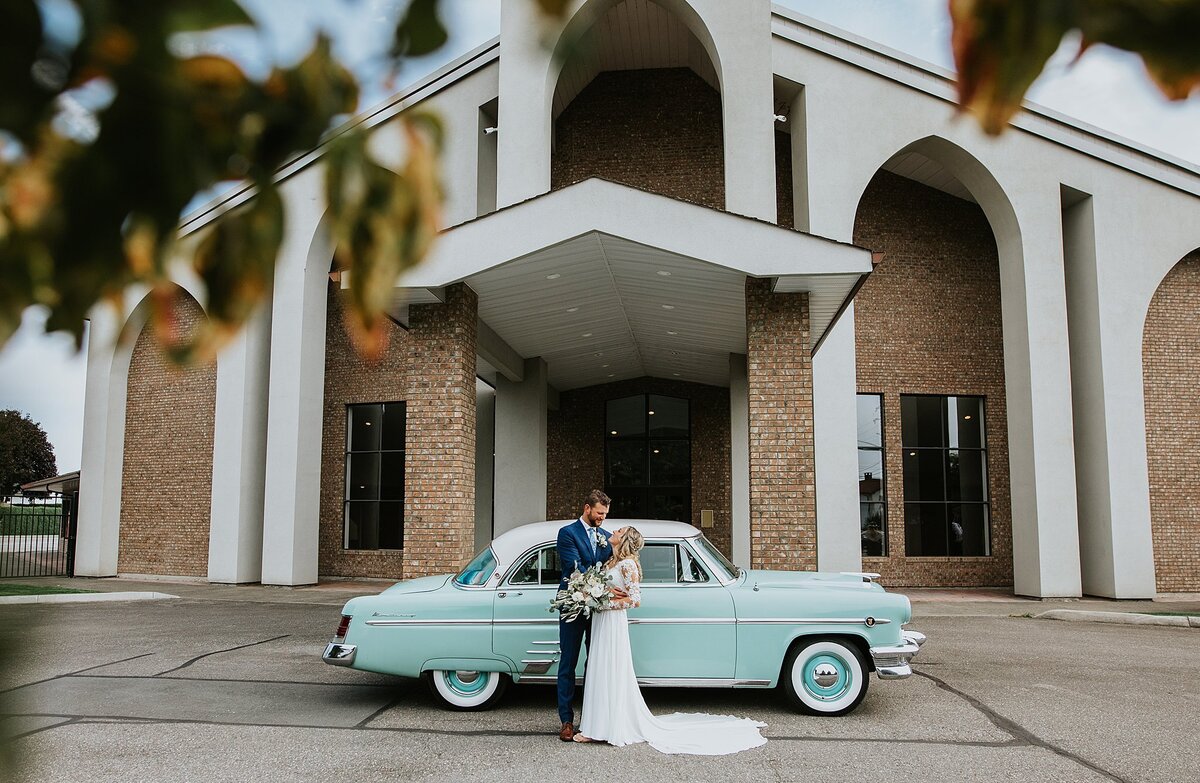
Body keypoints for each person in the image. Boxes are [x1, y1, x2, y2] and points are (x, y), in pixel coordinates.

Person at [572, 525, 767, 755]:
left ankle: (608, 727)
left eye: (619, 530)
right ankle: (596, 725)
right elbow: (610, 590)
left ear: (624, 539)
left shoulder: (628, 565)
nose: (613, 531)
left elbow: (635, 600)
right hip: (602, 622)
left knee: (611, 670)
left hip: (612, 622)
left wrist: (602, 604)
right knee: (600, 669)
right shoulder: (609, 563)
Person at [555, 490, 624, 742]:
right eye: (599, 513)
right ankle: (566, 720)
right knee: (568, 661)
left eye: (605, 514)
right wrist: (604, 587)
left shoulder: (607, 537)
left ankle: (591, 720)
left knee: (595, 663)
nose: (602, 519)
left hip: (599, 609)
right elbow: (575, 568)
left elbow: (611, 567)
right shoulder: (567, 533)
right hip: (572, 606)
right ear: (587, 508)